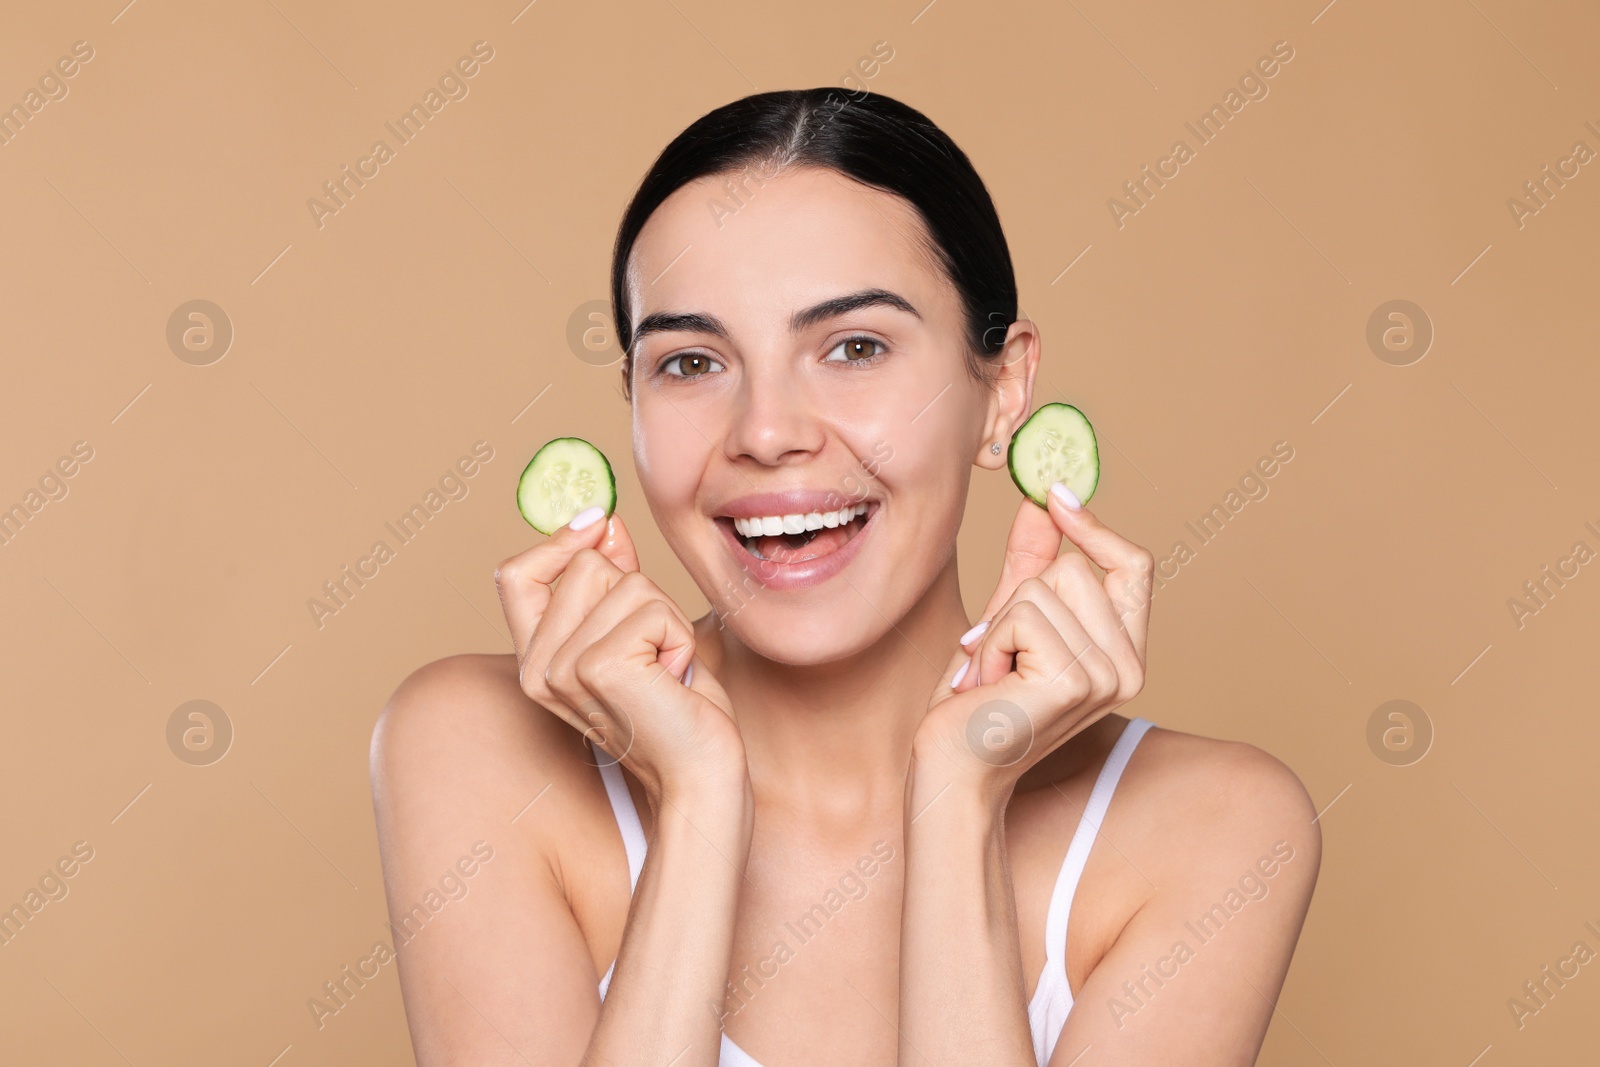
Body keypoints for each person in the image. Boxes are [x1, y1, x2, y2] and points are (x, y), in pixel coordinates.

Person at [370, 87, 1320, 1067]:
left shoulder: (1218, 830)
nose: (766, 432)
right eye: (691, 362)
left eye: (854, 346)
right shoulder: (477, 747)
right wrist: (698, 800)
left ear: (1002, 393)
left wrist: (958, 796)